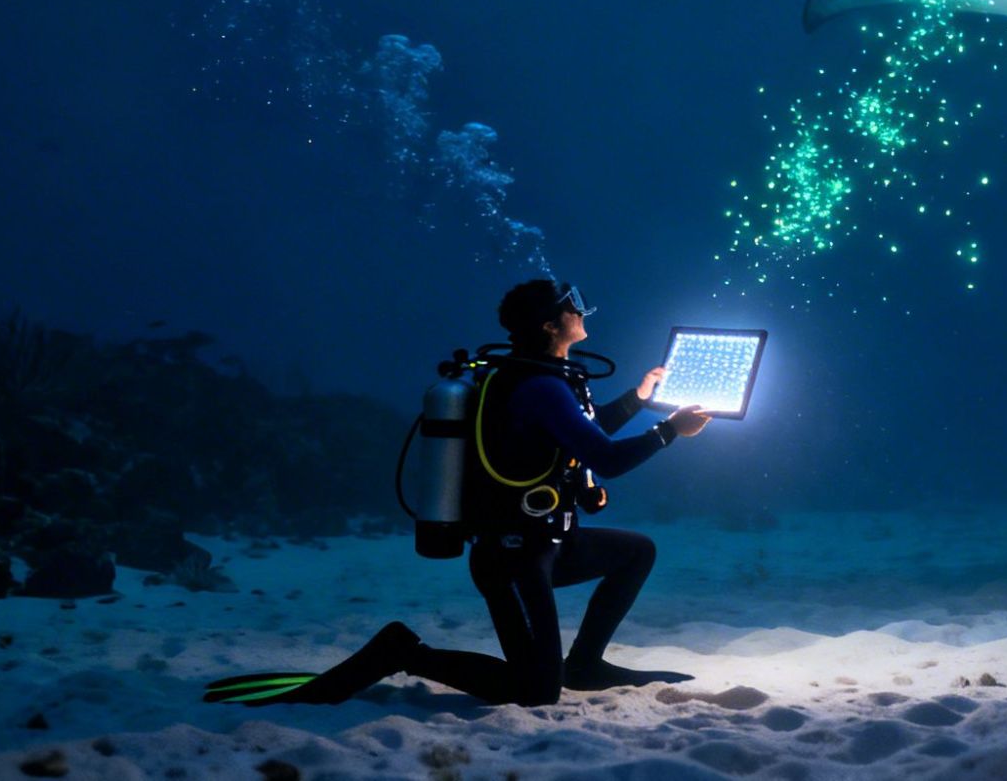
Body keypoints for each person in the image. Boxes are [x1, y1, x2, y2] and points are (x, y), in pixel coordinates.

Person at [204, 279, 711, 707]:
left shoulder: (540, 381)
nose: (581, 311)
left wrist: (639, 398)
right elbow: (608, 459)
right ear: (551, 325)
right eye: (570, 305)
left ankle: (585, 665)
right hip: (512, 557)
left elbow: (583, 430)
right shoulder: (541, 387)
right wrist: (670, 430)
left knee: (637, 551)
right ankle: (404, 653)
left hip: (547, 546)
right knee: (537, 693)